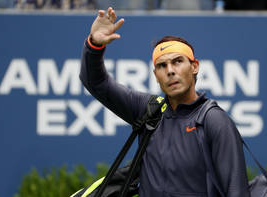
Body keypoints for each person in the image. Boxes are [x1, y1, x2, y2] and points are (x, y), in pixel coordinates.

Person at [80, 7, 250, 197]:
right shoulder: (149, 110)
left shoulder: (214, 120)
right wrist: (94, 45)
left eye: (177, 61)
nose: (170, 71)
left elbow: (237, 191)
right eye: (162, 65)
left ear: (194, 66)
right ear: (156, 75)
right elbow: (96, 83)